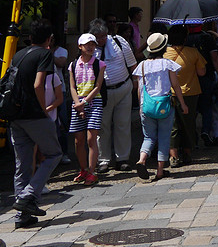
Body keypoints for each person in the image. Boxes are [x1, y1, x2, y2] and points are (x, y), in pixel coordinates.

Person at [10, 20, 63, 228]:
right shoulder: (44, 55)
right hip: (34, 114)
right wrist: (42, 109)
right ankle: (28, 196)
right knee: (54, 154)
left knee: (22, 164)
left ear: (30, 37)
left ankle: (21, 216)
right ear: (49, 39)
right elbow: (38, 84)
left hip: (16, 115)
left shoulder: (18, 55)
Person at [132, 32, 187, 181]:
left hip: (146, 106)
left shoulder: (142, 66)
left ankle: (142, 159)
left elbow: (139, 89)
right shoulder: (167, 64)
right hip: (164, 106)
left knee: (148, 137)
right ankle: (160, 171)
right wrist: (182, 103)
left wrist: (140, 107)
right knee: (164, 137)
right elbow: (175, 85)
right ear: (164, 48)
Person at [91, 17, 137, 174]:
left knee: (123, 124)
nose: (101, 40)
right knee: (103, 127)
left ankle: (122, 158)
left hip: (123, 87)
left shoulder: (119, 41)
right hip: (101, 93)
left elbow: (132, 64)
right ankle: (103, 160)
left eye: (103, 36)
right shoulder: (89, 48)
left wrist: (136, 83)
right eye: (98, 37)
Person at [164, 25, 206, 167]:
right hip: (190, 92)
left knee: (172, 125)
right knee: (188, 124)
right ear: (185, 38)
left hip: (169, 93)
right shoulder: (193, 52)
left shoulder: (164, 53)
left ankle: (173, 156)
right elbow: (202, 73)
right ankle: (187, 153)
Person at [68, 31, 105, 187]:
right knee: (78, 140)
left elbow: (98, 86)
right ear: (80, 46)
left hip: (94, 101)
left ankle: (92, 171)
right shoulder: (73, 64)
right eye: (87, 44)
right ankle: (83, 169)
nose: (90, 47)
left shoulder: (99, 64)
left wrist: (85, 102)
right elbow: (72, 86)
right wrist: (78, 104)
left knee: (91, 138)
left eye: (93, 44)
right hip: (78, 103)